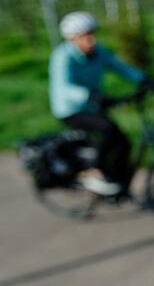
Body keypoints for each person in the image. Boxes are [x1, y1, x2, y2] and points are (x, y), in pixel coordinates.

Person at [49, 12, 146, 197]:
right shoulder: (62, 56)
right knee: (107, 128)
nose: (91, 39)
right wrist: (90, 96)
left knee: (123, 144)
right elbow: (64, 88)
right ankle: (95, 173)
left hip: (92, 106)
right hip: (70, 110)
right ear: (73, 38)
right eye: (85, 35)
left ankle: (118, 184)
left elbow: (120, 67)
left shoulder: (98, 52)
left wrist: (144, 79)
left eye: (92, 33)